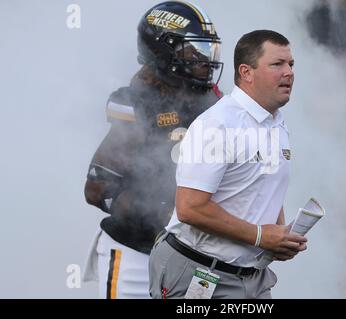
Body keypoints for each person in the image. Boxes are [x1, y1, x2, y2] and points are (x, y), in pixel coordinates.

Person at [148, 29, 308, 299]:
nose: (289, 72)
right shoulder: (218, 124)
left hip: (253, 279)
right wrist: (260, 236)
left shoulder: (276, 120)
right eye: (277, 64)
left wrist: (279, 237)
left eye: (291, 64)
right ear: (246, 72)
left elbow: (263, 183)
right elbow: (189, 208)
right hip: (199, 273)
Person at [82, 1, 223, 299]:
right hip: (137, 254)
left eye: (206, 50)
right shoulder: (138, 103)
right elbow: (98, 189)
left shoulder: (215, 102)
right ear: (163, 51)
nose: (204, 60)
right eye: (192, 50)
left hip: (200, 258)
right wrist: (161, 212)